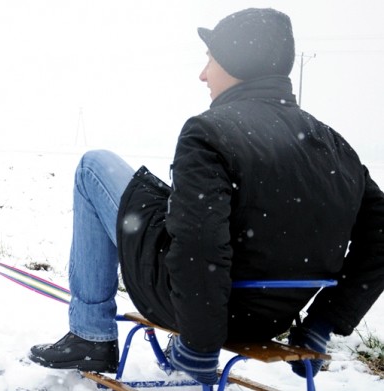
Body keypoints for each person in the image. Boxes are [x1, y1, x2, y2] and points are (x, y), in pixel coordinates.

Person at [29, 7, 384, 385]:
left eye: (210, 60)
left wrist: (199, 343)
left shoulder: (209, 132)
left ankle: (90, 333)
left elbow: (200, 242)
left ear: (235, 62)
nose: (203, 74)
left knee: (93, 165)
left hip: (201, 310)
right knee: (187, 209)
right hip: (272, 317)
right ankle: (148, 329)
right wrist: (324, 320)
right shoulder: (335, 146)